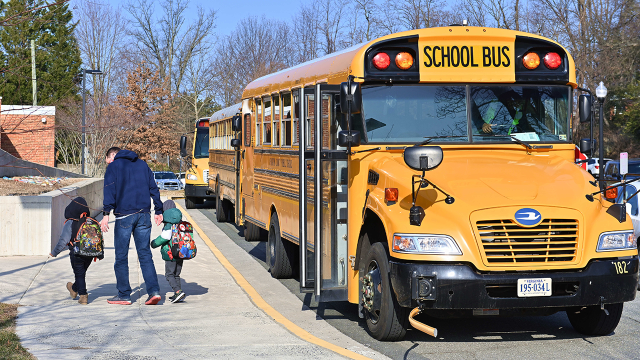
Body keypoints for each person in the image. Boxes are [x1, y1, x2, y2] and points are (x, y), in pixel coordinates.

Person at [100, 147, 164, 305]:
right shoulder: (142, 165)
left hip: (125, 217)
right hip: (144, 216)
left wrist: (106, 214)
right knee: (145, 255)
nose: (108, 162)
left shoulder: (114, 167)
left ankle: (124, 295)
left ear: (113, 156)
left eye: (108, 159)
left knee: (121, 257)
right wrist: (158, 210)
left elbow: (109, 191)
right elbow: (153, 188)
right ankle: (154, 292)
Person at [50, 197, 101, 305]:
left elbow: (63, 240)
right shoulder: (91, 221)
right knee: (81, 274)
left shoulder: (71, 222)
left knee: (79, 274)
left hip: (76, 252)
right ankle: (73, 289)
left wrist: (54, 252)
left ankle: (83, 295)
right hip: (90, 253)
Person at [151, 200, 186, 303]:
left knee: (169, 274)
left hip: (171, 254)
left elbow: (165, 237)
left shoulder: (169, 224)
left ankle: (177, 291)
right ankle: (178, 294)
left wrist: (154, 243)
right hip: (181, 252)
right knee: (176, 274)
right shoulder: (180, 222)